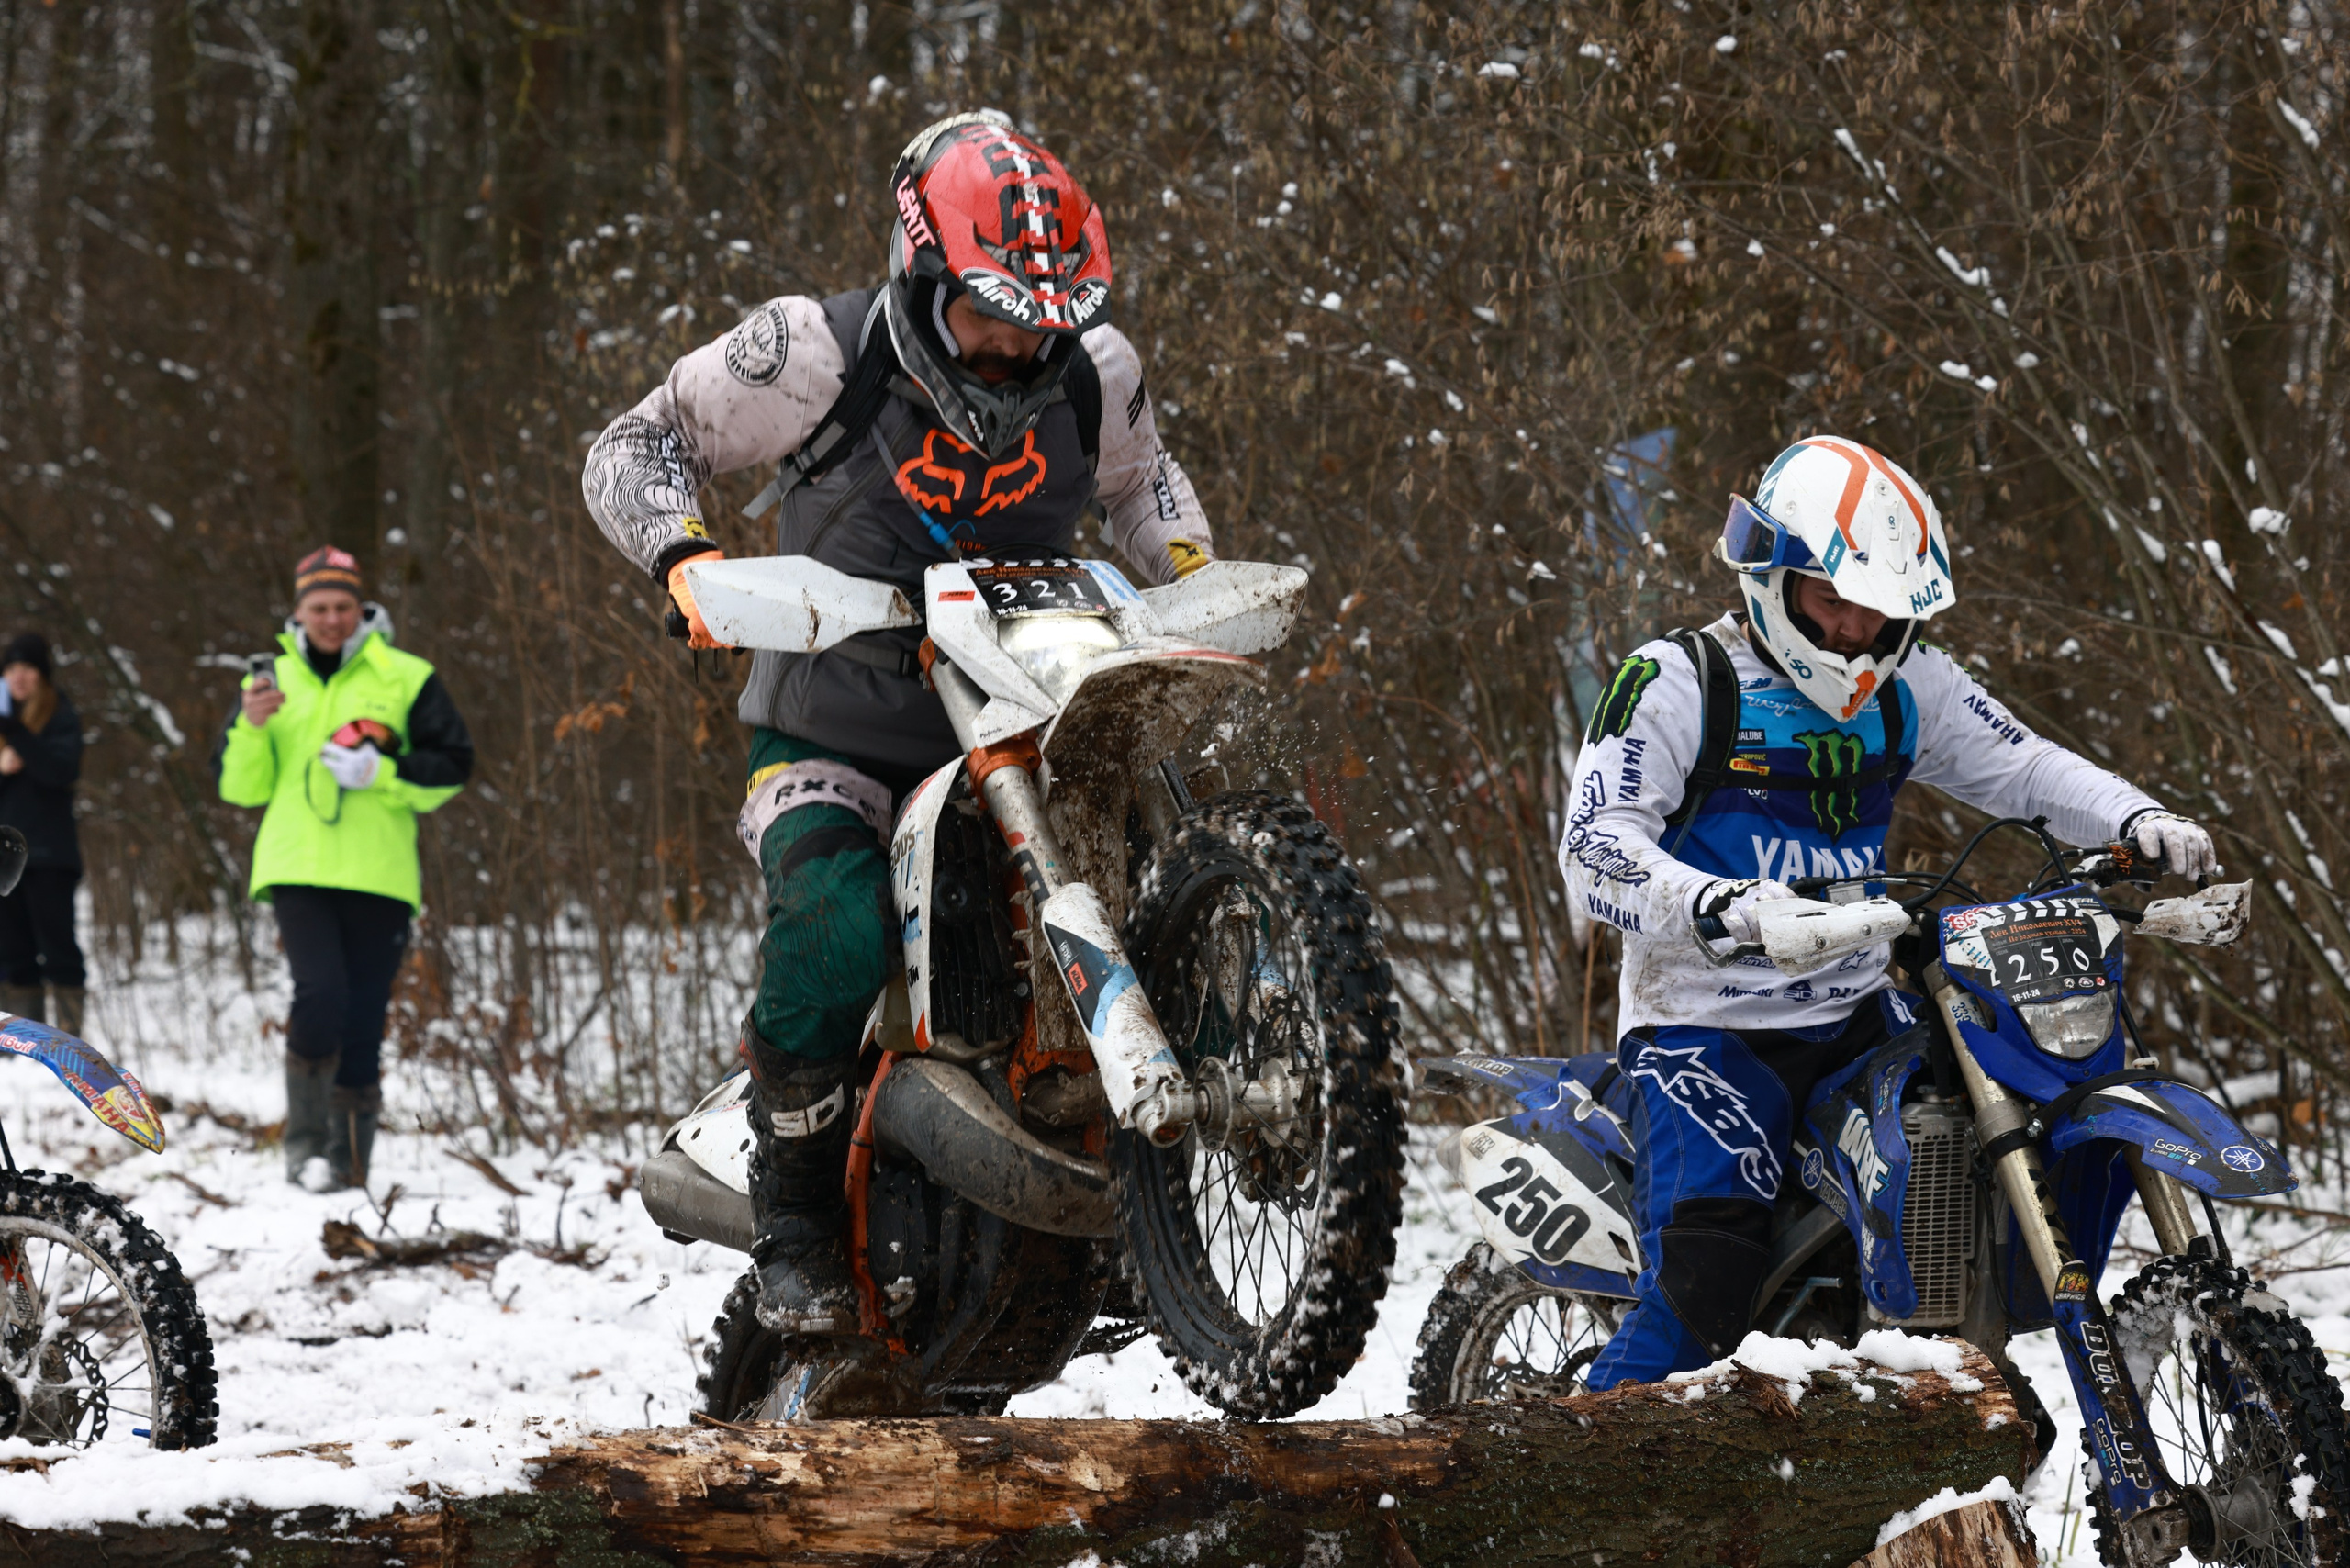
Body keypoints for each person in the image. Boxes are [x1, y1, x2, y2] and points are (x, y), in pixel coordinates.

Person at [582, 110, 1215, 1338]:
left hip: (1028, 722)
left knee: (1153, 881)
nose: (1020, 341)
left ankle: (1157, 1192)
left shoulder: (1097, 372)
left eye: (1048, 316)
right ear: (921, 272)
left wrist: (1185, 570)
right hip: (837, 725)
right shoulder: (812, 355)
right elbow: (635, 442)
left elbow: (1147, 489)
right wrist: (684, 557)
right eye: (992, 312)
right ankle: (797, 1231)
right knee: (833, 926)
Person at [1561, 435, 2217, 1391]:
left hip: (1862, 1013)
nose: (1854, 631)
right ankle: (1589, 1491)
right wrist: (1726, 905)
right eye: (1832, 600)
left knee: (1978, 1157)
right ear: (1769, 574)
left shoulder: (1911, 686)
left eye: (1879, 611)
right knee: (1701, 1298)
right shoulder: (1673, 681)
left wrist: (2134, 815)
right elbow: (1593, 848)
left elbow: (2023, 766)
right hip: (1706, 1027)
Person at [214, 547, 474, 1192]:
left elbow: (453, 767)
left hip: (380, 870)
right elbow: (240, 789)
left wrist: (382, 773)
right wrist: (249, 729)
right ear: (297, 612)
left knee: (364, 1013)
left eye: (342, 607)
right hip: (295, 864)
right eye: (318, 608)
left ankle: (350, 1161)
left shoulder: (406, 676)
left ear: (361, 609)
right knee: (319, 993)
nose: (331, 619)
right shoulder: (267, 681)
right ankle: (303, 1148)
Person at [0, 634, 87, 1037]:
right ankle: (22, 1043)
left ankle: (69, 1040)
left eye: (27, 668)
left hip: (50, 854)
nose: (19, 677)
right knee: (12, 953)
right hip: (4, 858)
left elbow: (60, 773)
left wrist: (19, 738)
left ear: (42, 675)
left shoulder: (60, 715)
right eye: (11, 669)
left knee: (59, 950)